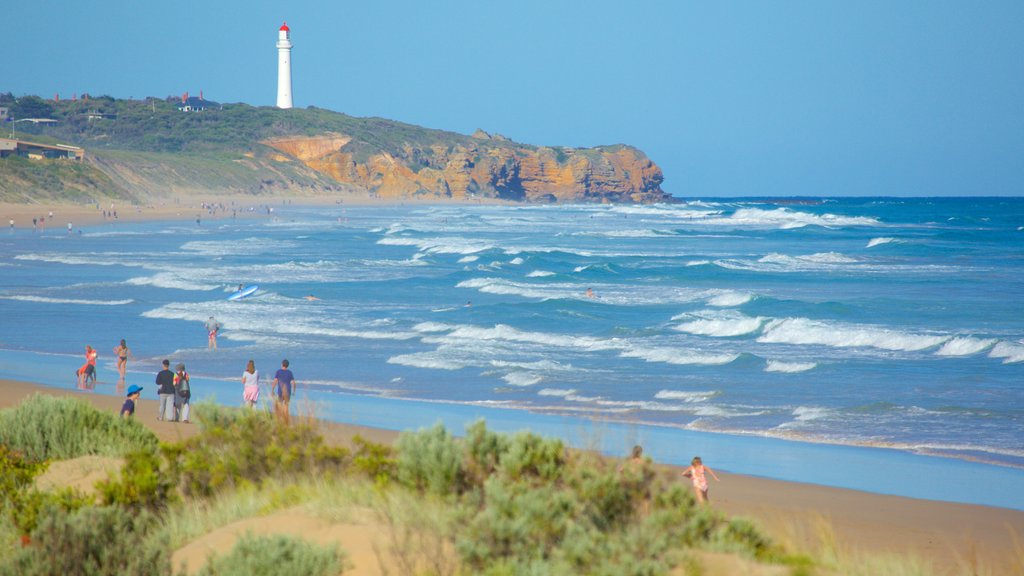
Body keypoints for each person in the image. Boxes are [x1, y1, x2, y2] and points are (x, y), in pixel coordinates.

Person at [272, 359, 296, 424]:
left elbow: (275, 381)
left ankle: (279, 420)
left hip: (280, 392)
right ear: (287, 365)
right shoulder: (290, 372)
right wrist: (294, 391)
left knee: (279, 405)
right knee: (286, 406)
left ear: (282, 364)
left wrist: (272, 390)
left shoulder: (278, 372)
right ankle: (286, 421)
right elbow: (294, 383)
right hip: (288, 391)